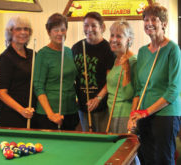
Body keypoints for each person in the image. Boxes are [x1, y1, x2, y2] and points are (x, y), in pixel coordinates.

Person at [128, 3, 181, 165]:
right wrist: (133, 115)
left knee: (163, 159)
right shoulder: (143, 52)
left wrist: (146, 112)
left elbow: (173, 90)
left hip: (166, 115)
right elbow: (139, 89)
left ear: (163, 24)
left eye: (154, 19)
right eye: (145, 19)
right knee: (146, 158)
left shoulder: (173, 50)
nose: (148, 23)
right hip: (144, 115)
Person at [33, 13, 79, 130]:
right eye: (56, 30)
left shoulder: (69, 52)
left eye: (63, 29)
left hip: (70, 110)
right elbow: (38, 87)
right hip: (49, 114)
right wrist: (51, 114)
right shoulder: (43, 54)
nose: (60, 33)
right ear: (49, 32)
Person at [72, 12, 115, 132]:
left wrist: (98, 98)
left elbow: (110, 80)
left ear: (102, 27)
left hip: (102, 107)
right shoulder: (76, 48)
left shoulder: (108, 49)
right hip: (83, 106)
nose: (89, 29)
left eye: (94, 25)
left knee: (102, 142)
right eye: (86, 25)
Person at [0, 16, 35, 128]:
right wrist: (21, 110)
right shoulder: (6, 58)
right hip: (12, 115)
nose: (23, 32)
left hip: (31, 113)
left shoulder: (33, 55)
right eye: (18, 29)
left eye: (26, 29)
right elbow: (2, 93)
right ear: (10, 32)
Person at [107, 20, 136, 133]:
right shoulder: (116, 59)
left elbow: (128, 95)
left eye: (119, 36)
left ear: (128, 39)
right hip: (111, 114)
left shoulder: (133, 61)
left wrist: (127, 70)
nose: (113, 39)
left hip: (124, 115)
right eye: (112, 35)